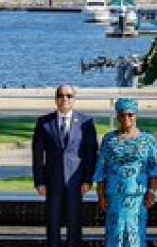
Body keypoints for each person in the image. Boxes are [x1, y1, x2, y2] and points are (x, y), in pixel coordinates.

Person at [31, 83, 97, 247]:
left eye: (69, 96)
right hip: (52, 182)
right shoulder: (44, 122)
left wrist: (88, 180)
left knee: (74, 224)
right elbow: (38, 155)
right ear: (56, 99)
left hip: (77, 182)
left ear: (74, 100)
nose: (64, 99)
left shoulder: (86, 122)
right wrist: (39, 181)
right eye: (61, 95)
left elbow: (91, 153)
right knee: (52, 224)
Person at [93, 98, 157, 247]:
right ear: (118, 117)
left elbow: (154, 169)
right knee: (115, 234)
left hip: (138, 198)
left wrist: (151, 192)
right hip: (114, 197)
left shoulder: (148, 140)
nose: (126, 118)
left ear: (136, 115)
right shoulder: (109, 139)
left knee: (135, 234)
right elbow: (101, 168)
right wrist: (100, 195)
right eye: (122, 115)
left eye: (130, 114)